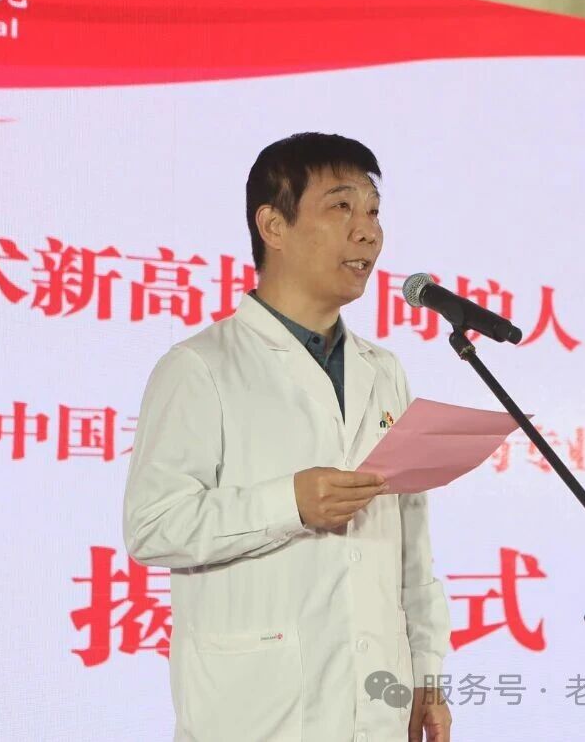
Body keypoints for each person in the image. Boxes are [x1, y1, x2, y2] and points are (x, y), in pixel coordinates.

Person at [123, 132, 452, 741]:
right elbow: (152, 525)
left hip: (378, 709)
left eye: (374, 211)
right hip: (256, 716)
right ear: (273, 225)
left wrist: (427, 676)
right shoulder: (200, 367)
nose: (368, 232)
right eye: (342, 207)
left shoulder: (385, 372)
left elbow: (413, 549)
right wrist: (290, 504)